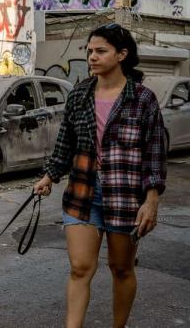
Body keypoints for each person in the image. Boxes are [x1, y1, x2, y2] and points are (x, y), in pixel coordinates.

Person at [33, 23, 167, 328]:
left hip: (125, 195)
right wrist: (50, 176)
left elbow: (155, 152)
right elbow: (65, 141)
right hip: (82, 192)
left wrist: (152, 199)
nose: (92, 57)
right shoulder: (80, 94)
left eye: (100, 51)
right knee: (80, 268)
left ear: (122, 54)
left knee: (121, 268)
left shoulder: (142, 99)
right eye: (89, 51)